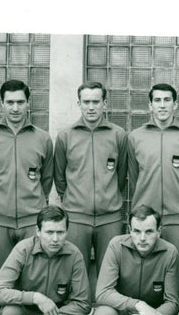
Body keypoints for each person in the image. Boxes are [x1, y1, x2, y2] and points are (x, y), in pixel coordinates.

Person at [54, 82, 128, 293]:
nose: (91, 107)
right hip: (76, 216)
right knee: (76, 272)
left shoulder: (118, 135)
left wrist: (109, 197)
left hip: (110, 218)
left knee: (111, 272)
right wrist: (74, 200)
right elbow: (59, 177)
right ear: (79, 103)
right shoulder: (65, 136)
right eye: (86, 102)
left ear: (105, 103)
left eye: (96, 102)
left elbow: (121, 176)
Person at [0, 79, 54, 271]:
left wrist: (33, 204)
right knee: (0, 273)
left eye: (20, 102)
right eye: (10, 103)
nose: (15, 108)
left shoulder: (42, 138)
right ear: (2, 104)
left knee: (32, 272)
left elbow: (47, 179)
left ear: (28, 103)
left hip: (32, 219)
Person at [127, 83, 179, 259]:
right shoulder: (135, 137)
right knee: (146, 269)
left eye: (167, 100)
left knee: (178, 267)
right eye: (157, 100)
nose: (162, 105)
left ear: (175, 104)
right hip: (145, 218)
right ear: (150, 105)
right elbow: (133, 176)